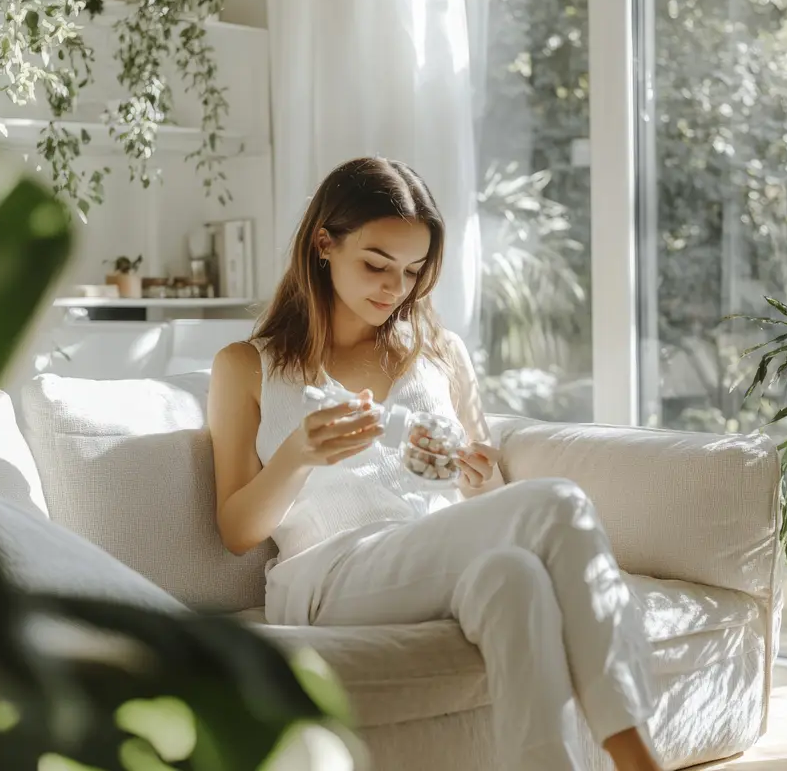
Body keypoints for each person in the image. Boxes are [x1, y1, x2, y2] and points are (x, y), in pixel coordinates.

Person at [208, 157, 662, 771]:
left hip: (434, 559)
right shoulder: (247, 366)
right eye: (375, 264)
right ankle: (636, 756)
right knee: (559, 502)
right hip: (329, 576)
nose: (393, 288)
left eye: (412, 271)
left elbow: (486, 491)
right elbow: (237, 532)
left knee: (515, 580)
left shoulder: (440, 352)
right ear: (324, 243)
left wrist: (482, 480)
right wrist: (297, 457)